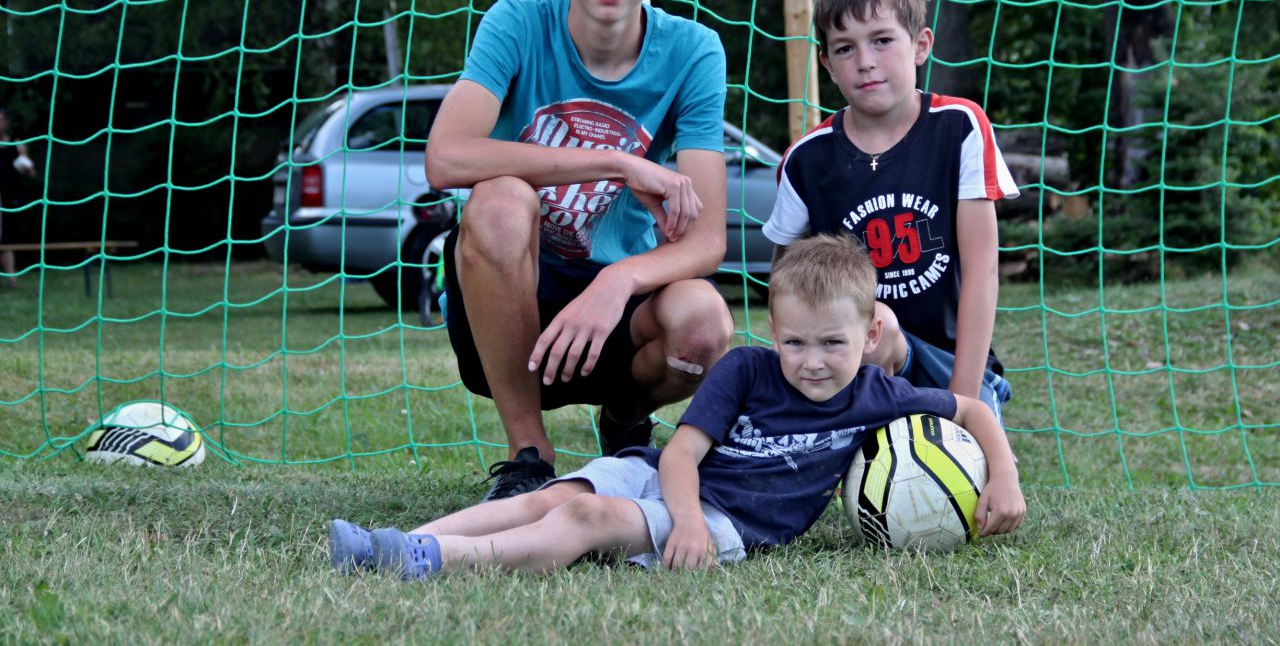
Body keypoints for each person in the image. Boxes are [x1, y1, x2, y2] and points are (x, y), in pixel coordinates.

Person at [327, 234, 1025, 580]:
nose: (811, 360)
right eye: (794, 341)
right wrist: (679, 513)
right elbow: (683, 452)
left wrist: (1005, 477)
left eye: (831, 343)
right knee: (555, 494)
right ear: (773, 330)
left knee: (587, 518)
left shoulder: (877, 394)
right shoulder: (747, 369)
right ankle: (395, 540)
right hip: (668, 479)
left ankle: (430, 560)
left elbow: (972, 409)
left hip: (726, 522)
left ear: (870, 336)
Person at [423, 0, 735, 501]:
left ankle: (625, 418)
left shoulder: (694, 50)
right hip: (512, 303)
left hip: (618, 308)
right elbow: (446, 158)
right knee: (500, 202)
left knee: (705, 323)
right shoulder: (518, 22)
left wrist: (618, 281)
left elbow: (707, 241)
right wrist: (618, 162)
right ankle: (528, 456)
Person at [762, 0, 1020, 424]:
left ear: (920, 45)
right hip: (849, 368)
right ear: (827, 64)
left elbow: (982, 272)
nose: (865, 61)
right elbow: (786, 289)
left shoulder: (959, 127)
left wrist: (964, 404)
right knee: (871, 324)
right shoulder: (806, 160)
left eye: (882, 40)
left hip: (949, 367)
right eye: (845, 48)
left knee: (882, 326)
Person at [0, 107, 39, 289]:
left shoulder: (16, 145)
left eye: (1, 119)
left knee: (7, 239)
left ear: (6, 122)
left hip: (10, 198)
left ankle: (12, 278)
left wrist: (24, 158)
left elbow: (31, 173)